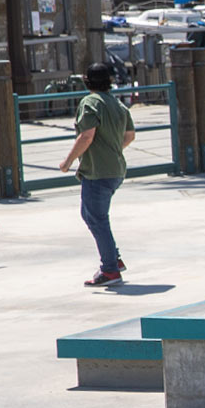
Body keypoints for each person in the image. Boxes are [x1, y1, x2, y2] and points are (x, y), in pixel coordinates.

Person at [57, 62, 136, 287]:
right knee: (90, 215)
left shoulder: (90, 102)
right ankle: (114, 258)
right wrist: (112, 150)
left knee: (97, 219)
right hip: (115, 170)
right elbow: (130, 135)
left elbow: (86, 136)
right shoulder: (118, 104)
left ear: (87, 81)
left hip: (98, 172)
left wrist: (68, 161)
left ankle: (110, 270)